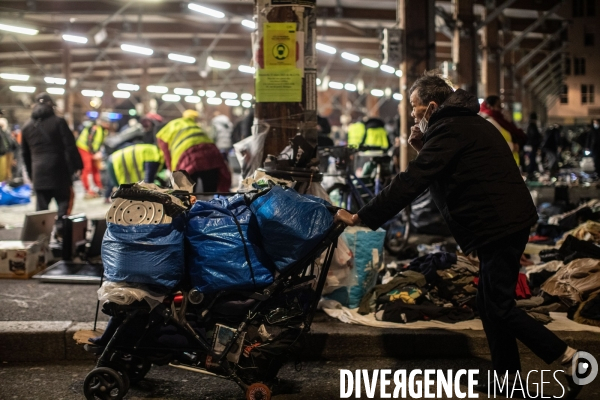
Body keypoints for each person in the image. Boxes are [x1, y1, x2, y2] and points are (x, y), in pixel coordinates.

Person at [334, 72, 585, 399]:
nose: (411, 114)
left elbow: (413, 181)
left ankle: (571, 360)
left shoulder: (450, 128)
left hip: (500, 224)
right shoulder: (463, 124)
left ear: (432, 106)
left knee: (499, 306)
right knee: (488, 302)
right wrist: (422, 146)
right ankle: (507, 383)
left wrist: (361, 216)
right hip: (503, 222)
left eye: (414, 107)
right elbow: (445, 170)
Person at [21, 92, 83, 237]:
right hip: (58, 171)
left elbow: (25, 154)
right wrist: (77, 165)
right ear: (51, 105)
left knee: (41, 211)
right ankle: (61, 234)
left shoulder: (26, 126)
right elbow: (70, 145)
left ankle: (40, 241)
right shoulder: (58, 122)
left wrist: (31, 175)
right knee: (63, 202)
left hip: (38, 173)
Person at [157, 110, 231, 193]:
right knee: (211, 194)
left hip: (189, 158)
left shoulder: (163, 132)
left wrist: (172, 170)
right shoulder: (193, 125)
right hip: (212, 156)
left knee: (187, 195)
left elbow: (167, 155)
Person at [479, 95, 527, 166]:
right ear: (489, 106)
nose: (501, 108)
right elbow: (493, 142)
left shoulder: (500, 120)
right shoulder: (490, 121)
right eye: (498, 106)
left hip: (506, 160)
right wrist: (512, 146)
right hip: (500, 162)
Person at [77, 116, 110, 196]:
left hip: (92, 151)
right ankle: (88, 189)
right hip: (84, 149)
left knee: (96, 168)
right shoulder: (95, 128)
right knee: (87, 169)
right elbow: (90, 140)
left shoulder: (103, 131)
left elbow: (99, 143)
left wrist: (98, 152)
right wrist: (94, 153)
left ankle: (99, 187)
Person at [525, 112, 543, 179]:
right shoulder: (532, 126)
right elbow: (534, 136)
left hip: (532, 146)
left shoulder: (530, 126)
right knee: (532, 160)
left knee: (532, 160)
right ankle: (531, 174)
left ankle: (531, 173)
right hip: (533, 146)